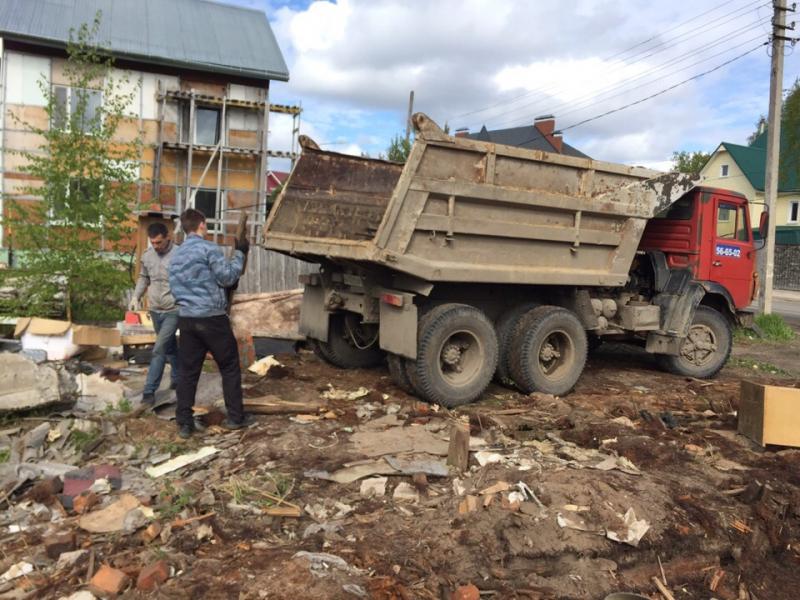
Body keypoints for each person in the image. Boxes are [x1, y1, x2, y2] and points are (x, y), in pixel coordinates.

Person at [168, 208, 250, 439]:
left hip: (187, 320)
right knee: (229, 367)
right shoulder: (208, 249)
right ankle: (235, 417)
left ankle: (184, 423)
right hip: (212, 318)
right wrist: (240, 253)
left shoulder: (176, 256)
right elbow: (228, 277)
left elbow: (175, 288)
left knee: (188, 373)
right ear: (202, 225)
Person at [130, 222, 179, 406]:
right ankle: (177, 377)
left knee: (159, 349)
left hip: (173, 310)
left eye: (159, 242)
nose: (156, 246)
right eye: (153, 243)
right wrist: (136, 297)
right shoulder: (148, 256)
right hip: (155, 309)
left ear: (168, 237)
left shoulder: (180, 254)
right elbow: (144, 277)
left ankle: (149, 392)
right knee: (170, 346)